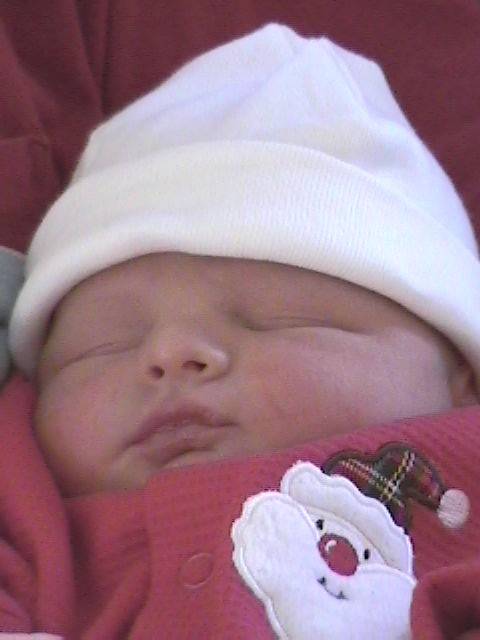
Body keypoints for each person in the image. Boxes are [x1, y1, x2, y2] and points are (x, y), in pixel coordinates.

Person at [3, 23, 480, 639]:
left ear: (462, 378)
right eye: (99, 348)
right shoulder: (28, 521)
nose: (171, 353)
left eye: (280, 318)